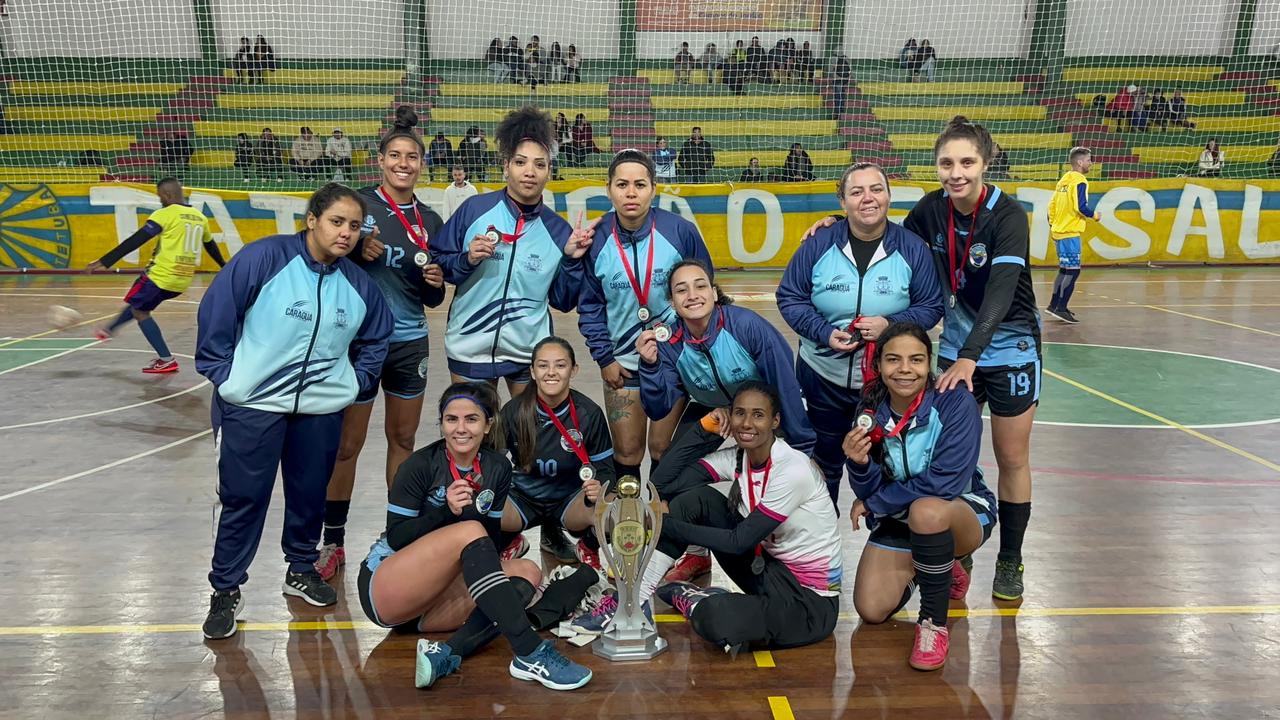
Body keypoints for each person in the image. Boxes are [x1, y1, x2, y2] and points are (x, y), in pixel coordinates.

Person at [195, 183, 393, 640]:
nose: (345, 233)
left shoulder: (357, 284)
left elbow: (376, 336)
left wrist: (354, 383)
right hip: (253, 407)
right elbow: (217, 311)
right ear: (312, 220)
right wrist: (227, 376)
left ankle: (300, 568)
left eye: (353, 226)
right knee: (244, 499)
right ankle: (226, 588)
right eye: (336, 222)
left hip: (320, 412)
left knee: (309, 494)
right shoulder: (264, 259)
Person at [357, 382, 593, 691]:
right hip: (386, 588)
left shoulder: (497, 468)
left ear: (487, 424)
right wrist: (445, 512)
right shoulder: (418, 466)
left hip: (429, 606)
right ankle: (529, 651)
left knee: (527, 571)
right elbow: (398, 537)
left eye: (471, 419)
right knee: (469, 531)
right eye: (451, 419)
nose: (460, 428)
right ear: (441, 423)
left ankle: (447, 652)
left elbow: (491, 541)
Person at [577, 382, 841, 649]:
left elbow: (738, 542)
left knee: (714, 618)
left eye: (758, 415)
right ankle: (634, 603)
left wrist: (664, 525)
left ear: (775, 421)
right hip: (768, 570)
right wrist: (705, 430)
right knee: (696, 500)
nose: (747, 423)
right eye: (739, 413)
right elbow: (662, 484)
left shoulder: (792, 469)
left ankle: (697, 602)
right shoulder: (739, 458)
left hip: (809, 601)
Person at [903, 117, 1039, 601]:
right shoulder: (932, 209)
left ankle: (1011, 558)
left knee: (1010, 457)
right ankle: (959, 549)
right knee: (949, 455)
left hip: (1009, 350)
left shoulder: (1008, 216)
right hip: (959, 349)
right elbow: (892, 241)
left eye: (966, 162)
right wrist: (838, 224)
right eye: (946, 163)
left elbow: (1001, 294)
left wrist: (970, 357)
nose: (955, 172)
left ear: (984, 162)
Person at [314, 107, 448, 582]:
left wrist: (435, 279)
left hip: (410, 342)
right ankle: (332, 540)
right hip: (360, 344)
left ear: (421, 164)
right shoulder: (358, 207)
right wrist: (355, 247)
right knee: (346, 445)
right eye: (394, 155)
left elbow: (431, 296)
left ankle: (400, 535)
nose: (403, 163)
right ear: (380, 160)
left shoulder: (431, 219)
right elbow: (323, 252)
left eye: (412, 156)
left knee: (403, 440)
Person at [777, 162, 943, 503]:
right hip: (821, 377)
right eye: (856, 192)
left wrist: (890, 325)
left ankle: (890, 546)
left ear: (889, 195)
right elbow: (790, 297)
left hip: (888, 383)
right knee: (821, 467)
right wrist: (823, 332)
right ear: (842, 203)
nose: (868, 198)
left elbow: (931, 306)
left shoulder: (912, 249)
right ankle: (819, 549)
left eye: (876, 189)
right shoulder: (816, 245)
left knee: (890, 467)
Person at [843, 322, 996, 670]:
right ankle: (943, 567)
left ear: (929, 364)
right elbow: (870, 491)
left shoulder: (955, 402)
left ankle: (933, 624)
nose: (905, 369)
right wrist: (859, 463)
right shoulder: (870, 408)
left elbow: (946, 483)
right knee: (871, 609)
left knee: (927, 511)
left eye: (916, 360)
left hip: (963, 511)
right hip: (900, 515)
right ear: (879, 365)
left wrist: (875, 503)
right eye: (894, 360)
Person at [578, 149, 713, 509]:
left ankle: (666, 528)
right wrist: (604, 357)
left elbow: (704, 290)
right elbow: (589, 305)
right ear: (609, 190)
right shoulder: (597, 237)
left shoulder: (680, 232)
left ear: (654, 189)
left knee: (662, 448)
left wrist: (695, 347)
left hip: (673, 360)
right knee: (628, 450)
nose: (631, 193)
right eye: (622, 185)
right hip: (621, 361)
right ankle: (630, 532)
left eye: (640, 184)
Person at [433, 105, 589, 397]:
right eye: (520, 162)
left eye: (539, 165)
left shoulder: (558, 231)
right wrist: (467, 259)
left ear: (549, 172)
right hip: (469, 344)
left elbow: (563, 301)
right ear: (506, 166)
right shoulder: (474, 210)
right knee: (477, 435)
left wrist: (570, 260)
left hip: (529, 350)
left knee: (528, 437)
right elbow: (440, 264)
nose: (529, 172)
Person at [88, 176, 226, 373]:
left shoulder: (164, 214)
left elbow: (136, 240)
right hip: (182, 279)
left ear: (167, 195)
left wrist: (104, 261)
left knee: (140, 311)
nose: (160, 199)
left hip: (161, 275)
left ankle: (166, 359)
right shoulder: (199, 217)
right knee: (139, 303)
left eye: (160, 195)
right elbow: (210, 245)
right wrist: (224, 265)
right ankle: (109, 329)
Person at [498, 337, 615, 564]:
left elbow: (607, 470)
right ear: (532, 371)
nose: (551, 372)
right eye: (543, 365)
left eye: (560, 365)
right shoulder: (513, 412)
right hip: (523, 499)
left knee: (614, 512)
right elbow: (493, 466)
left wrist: (598, 487)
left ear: (574, 370)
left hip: (569, 500)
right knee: (476, 506)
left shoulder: (589, 413)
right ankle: (511, 540)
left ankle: (588, 546)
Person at [1047, 147, 1098, 324]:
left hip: (1059, 231)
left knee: (1064, 269)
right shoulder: (1079, 181)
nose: (1091, 163)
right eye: (1089, 160)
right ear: (1080, 162)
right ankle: (1061, 308)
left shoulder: (1064, 180)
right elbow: (1081, 206)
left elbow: (1051, 206)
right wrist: (1095, 215)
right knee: (1073, 271)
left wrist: (1053, 225)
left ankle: (1054, 305)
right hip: (1070, 232)